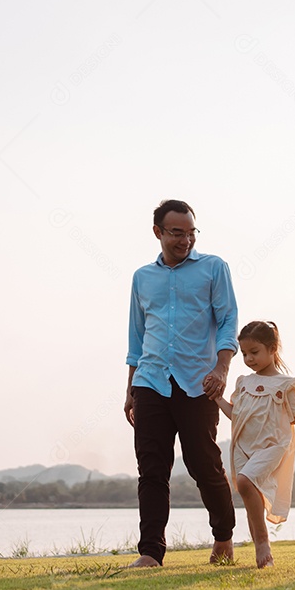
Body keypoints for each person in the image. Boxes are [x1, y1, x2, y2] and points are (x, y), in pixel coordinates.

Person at [125, 199, 238, 568]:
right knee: (151, 470)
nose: (185, 240)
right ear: (158, 232)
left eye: (191, 233)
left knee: (204, 465)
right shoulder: (142, 277)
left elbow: (228, 320)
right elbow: (137, 338)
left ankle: (223, 538)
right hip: (150, 381)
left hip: (198, 383)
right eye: (177, 233)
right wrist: (130, 389)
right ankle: (150, 553)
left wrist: (221, 369)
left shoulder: (213, 268)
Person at [213, 321, 295, 568]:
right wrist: (218, 399)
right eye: (244, 354)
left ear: (273, 349)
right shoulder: (243, 382)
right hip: (243, 446)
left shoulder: (287, 384)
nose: (249, 359)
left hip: (272, 446)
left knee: (245, 481)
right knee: (248, 493)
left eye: (254, 352)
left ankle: (263, 542)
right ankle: (259, 548)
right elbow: (236, 415)